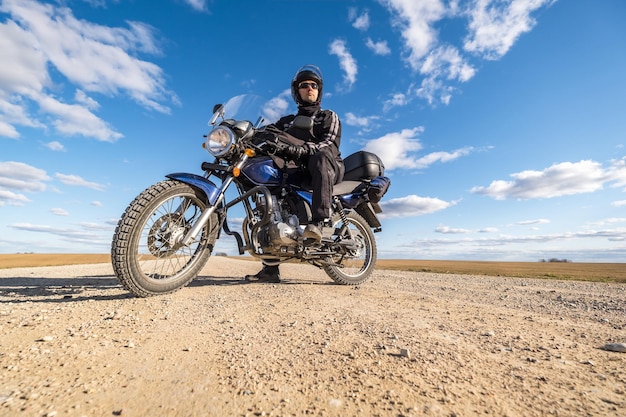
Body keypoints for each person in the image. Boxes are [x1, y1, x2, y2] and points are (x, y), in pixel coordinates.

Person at [245, 64, 344, 283]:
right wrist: (241, 133)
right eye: (304, 85)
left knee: (320, 156)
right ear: (296, 91)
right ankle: (270, 268)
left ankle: (319, 223)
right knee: (271, 199)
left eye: (314, 85)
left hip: (327, 166)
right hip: (298, 170)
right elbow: (266, 133)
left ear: (319, 91)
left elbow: (328, 144)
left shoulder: (327, 116)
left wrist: (301, 149)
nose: (309, 88)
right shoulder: (286, 122)